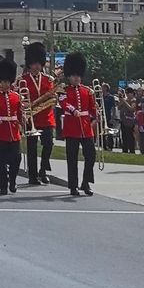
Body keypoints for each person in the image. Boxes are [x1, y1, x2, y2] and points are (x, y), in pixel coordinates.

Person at [58, 52, 97, 197]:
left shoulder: (87, 91)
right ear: (69, 76)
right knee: (72, 159)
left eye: (78, 75)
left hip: (86, 129)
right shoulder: (63, 90)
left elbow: (92, 109)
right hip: (71, 128)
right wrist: (72, 110)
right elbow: (63, 103)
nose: (76, 78)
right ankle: (73, 186)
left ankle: (86, 182)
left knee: (91, 156)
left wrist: (94, 118)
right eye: (74, 75)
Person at [0, 58, 22, 195]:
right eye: (3, 82)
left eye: (7, 82)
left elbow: (19, 113)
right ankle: (3, 185)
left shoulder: (16, 96)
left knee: (16, 159)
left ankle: (12, 180)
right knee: (0, 162)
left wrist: (23, 121)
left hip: (13, 132)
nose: (5, 84)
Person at [21, 41, 55, 185]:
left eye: (38, 63)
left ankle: (43, 170)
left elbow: (52, 97)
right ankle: (33, 175)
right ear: (29, 64)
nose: (36, 66)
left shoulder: (49, 80)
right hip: (31, 118)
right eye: (34, 63)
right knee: (32, 148)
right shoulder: (22, 80)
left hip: (46, 117)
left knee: (48, 144)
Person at [119, 88, 137, 153]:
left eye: (128, 93)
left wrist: (124, 101)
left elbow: (131, 109)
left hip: (130, 121)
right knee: (124, 136)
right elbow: (119, 107)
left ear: (132, 93)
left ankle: (132, 150)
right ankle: (125, 149)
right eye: (126, 93)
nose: (127, 95)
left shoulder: (133, 100)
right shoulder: (125, 100)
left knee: (130, 136)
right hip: (123, 120)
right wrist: (121, 100)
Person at [101, 84, 116, 151]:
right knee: (102, 132)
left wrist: (112, 117)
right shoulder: (101, 97)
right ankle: (104, 146)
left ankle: (110, 146)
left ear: (106, 88)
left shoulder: (111, 97)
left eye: (103, 87)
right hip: (102, 116)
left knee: (110, 132)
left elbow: (113, 108)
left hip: (109, 115)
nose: (102, 89)